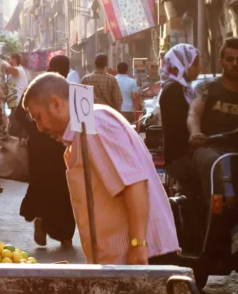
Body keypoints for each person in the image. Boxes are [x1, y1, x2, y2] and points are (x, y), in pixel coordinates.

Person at [22, 73, 180, 265]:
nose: (39, 128)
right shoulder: (84, 130)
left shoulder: (95, 124)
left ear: (56, 103)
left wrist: (138, 244)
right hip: (124, 260)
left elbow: (135, 183)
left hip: (144, 258)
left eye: (38, 117)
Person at [12, 55, 75, 247]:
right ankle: (65, 235)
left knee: (41, 182)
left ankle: (41, 217)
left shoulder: (38, 86)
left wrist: (34, 128)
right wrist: (40, 125)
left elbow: (18, 113)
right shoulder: (63, 89)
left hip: (41, 146)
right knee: (64, 187)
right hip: (59, 146)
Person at [187, 37, 238, 202]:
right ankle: (214, 215)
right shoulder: (207, 88)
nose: (235, 63)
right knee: (214, 163)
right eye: (230, 59)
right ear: (221, 62)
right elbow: (194, 112)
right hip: (210, 147)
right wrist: (195, 133)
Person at [158, 44, 201, 189]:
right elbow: (178, 127)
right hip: (181, 157)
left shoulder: (182, 88)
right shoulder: (174, 89)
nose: (199, 68)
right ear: (182, 64)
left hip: (184, 155)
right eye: (195, 64)